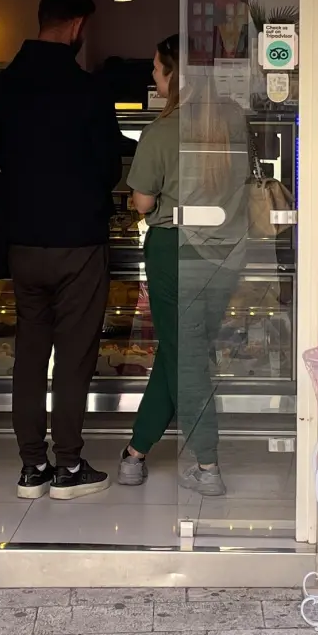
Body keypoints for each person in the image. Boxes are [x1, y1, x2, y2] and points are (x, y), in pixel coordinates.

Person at [0, 0, 121, 501]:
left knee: (29, 352)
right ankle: (67, 466)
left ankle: (31, 468)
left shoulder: (3, 87)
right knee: (72, 357)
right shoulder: (87, 89)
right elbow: (110, 164)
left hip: (22, 240)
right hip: (78, 242)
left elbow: (2, 158)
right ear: (76, 27)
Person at [117, 35, 250, 496]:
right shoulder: (233, 119)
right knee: (181, 351)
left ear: (173, 74)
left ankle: (208, 464)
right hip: (228, 251)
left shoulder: (159, 131)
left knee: (185, 356)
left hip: (176, 252)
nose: (153, 76)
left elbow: (142, 201)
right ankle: (135, 451)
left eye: (156, 69)